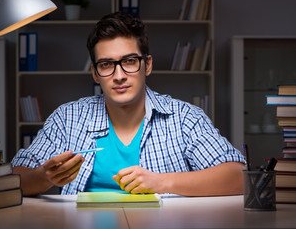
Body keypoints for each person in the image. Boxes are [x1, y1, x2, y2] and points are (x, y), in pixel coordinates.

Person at [12, 11, 246, 196]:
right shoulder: (67, 118)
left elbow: (238, 176)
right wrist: (45, 177)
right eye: (106, 65)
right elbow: (14, 179)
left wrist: (162, 181)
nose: (119, 75)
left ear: (148, 65)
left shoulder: (186, 117)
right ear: (95, 73)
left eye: (130, 61)